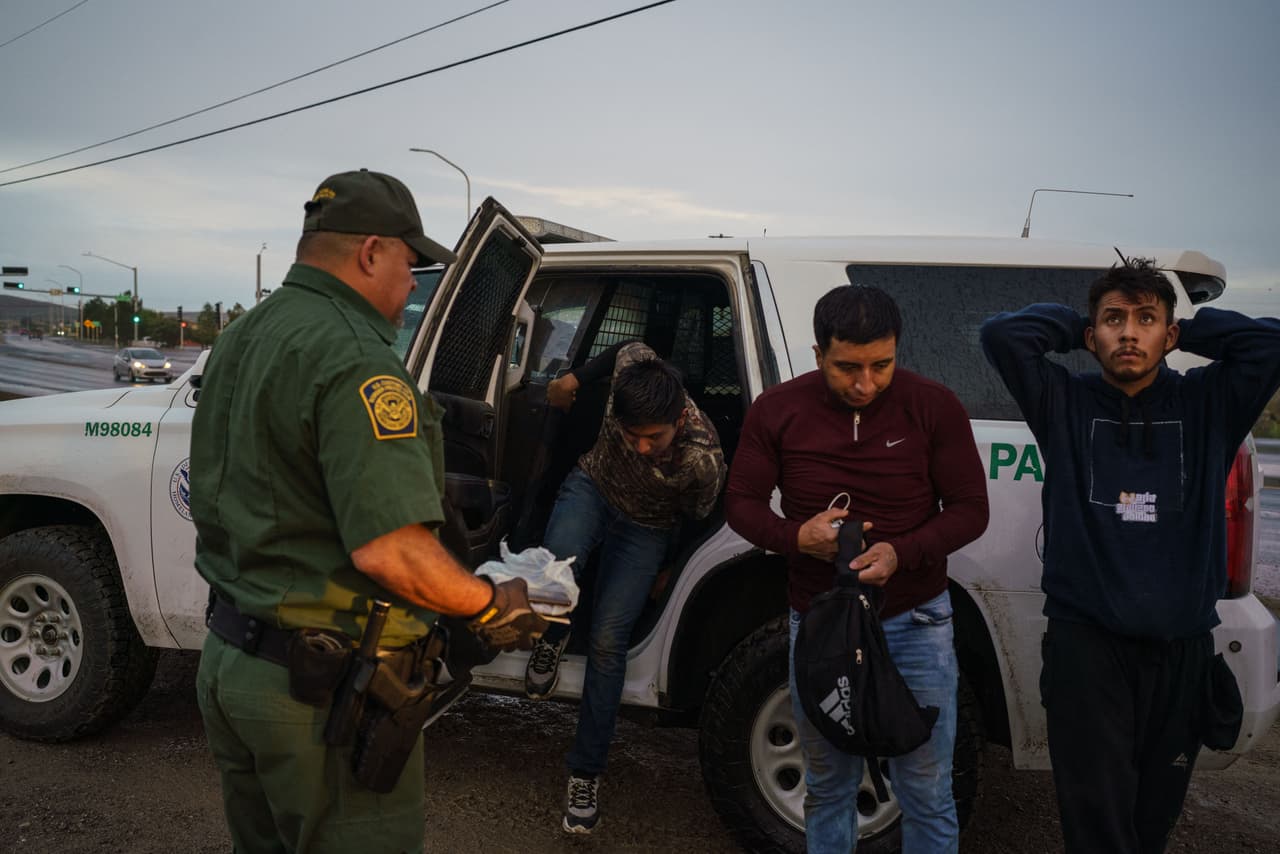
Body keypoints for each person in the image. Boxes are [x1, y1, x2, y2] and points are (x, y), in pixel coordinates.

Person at [191, 168, 548, 853]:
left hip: (232, 665)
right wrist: (485, 605)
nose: (413, 283)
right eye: (410, 263)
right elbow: (389, 549)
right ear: (370, 252)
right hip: (318, 697)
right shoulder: (357, 360)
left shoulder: (246, 334)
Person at [980, 257, 1280, 853]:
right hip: (1086, 649)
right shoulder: (1062, 403)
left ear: (1168, 335)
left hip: (1181, 650)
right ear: (1094, 335)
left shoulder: (1209, 405)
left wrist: (1186, 327)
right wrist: (1079, 325)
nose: (1128, 332)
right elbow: (1002, 336)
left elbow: (1270, 344)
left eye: (1146, 320)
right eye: (1114, 320)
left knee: (1152, 820)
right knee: (1096, 821)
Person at [725, 285, 990, 853]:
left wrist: (902, 553)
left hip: (916, 621)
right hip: (821, 627)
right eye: (847, 367)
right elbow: (741, 502)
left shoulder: (933, 405)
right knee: (828, 786)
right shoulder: (777, 409)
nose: (866, 383)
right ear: (817, 353)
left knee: (926, 789)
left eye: (882, 365)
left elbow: (971, 510)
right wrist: (795, 537)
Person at [521, 340, 726, 834]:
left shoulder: (703, 460)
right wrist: (575, 377)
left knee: (610, 642)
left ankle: (586, 772)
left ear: (679, 420)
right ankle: (553, 635)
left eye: (652, 438)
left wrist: (670, 571)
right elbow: (624, 348)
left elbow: (702, 521)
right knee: (553, 572)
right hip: (593, 486)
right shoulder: (633, 372)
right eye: (632, 434)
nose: (639, 446)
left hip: (649, 526)